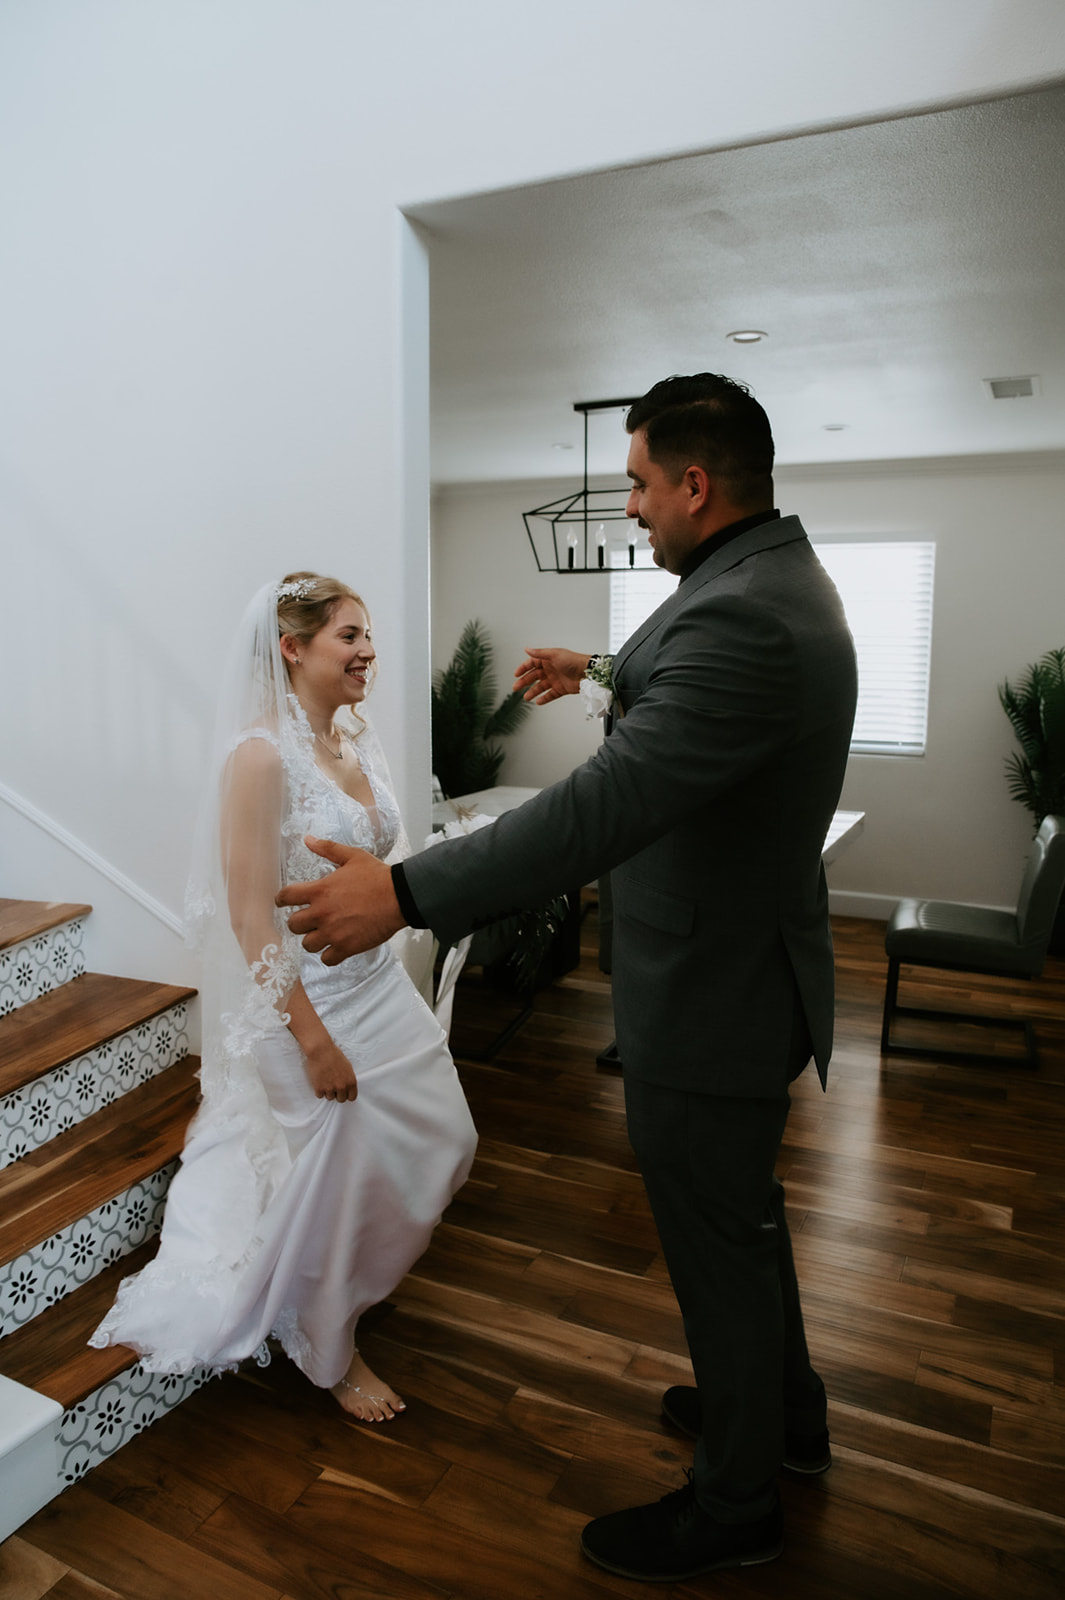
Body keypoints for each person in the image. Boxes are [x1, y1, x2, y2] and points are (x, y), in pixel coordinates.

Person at [277, 374, 858, 1579]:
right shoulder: (761, 585)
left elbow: (605, 806)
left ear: (697, 484)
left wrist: (407, 891)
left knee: (721, 1238)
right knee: (738, 1225)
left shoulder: (746, 615)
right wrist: (600, 666)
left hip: (714, 991)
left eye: (641, 483)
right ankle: (781, 1415)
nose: (633, 508)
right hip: (737, 971)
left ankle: (737, 1501)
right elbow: (690, 697)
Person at [90, 572, 477, 1422]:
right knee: (337, 1181)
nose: (367, 649)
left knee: (446, 1141)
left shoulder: (358, 740)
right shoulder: (259, 756)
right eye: (348, 635)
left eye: (367, 632)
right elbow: (246, 914)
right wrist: (310, 1040)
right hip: (302, 1005)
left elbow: (383, 862)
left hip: (374, 985)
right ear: (292, 648)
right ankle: (327, 1344)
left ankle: (337, 1285)